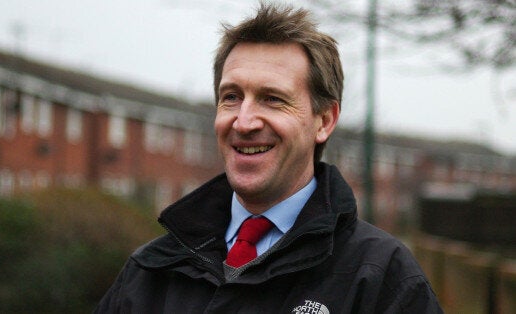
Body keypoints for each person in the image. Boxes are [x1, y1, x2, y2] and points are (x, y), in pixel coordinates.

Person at [96, 3, 442, 313]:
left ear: (324, 120)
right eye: (231, 97)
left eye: (272, 99)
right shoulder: (150, 270)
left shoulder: (383, 278)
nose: (244, 122)